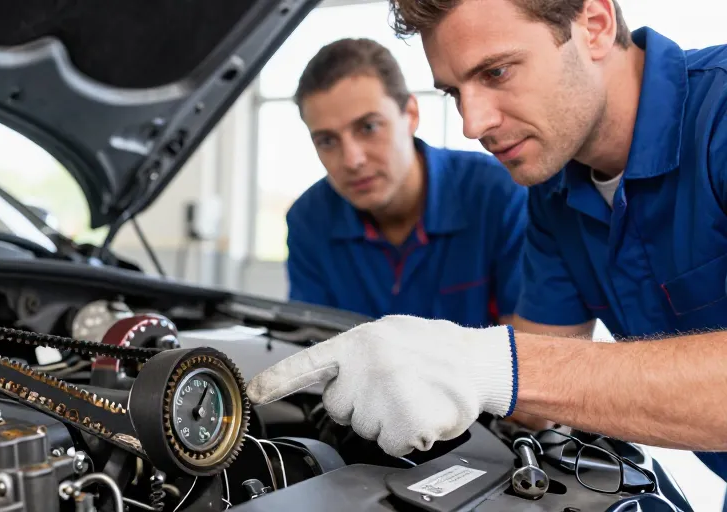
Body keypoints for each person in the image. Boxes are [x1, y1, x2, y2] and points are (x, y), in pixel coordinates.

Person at [247, 0, 727, 489]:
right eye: (454, 92)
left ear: (596, 25)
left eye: (497, 72)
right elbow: (539, 393)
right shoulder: (553, 191)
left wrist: (484, 366)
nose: (471, 125)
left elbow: (521, 372)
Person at [285, 38, 527, 328]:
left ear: (410, 114)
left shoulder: (500, 197)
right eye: (327, 141)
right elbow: (312, 352)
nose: (352, 160)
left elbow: (529, 352)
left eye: (369, 127)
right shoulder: (308, 221)